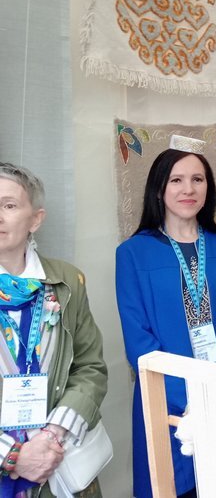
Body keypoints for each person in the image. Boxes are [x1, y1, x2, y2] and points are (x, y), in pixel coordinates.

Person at [115, 137, 216, 498]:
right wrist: (191, 400)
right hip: (165, 399)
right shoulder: (133, 253)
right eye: (177, 180)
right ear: (159, 188)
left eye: (198, 179)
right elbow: (139, 341)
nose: (188, 189)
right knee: (173, 487)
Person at [0, 163, 108, 497]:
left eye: (9, 205)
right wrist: (13, 456)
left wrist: (52, 436)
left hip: (58, 461)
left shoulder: (67, 282)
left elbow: (90, 367)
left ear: (36, 220)